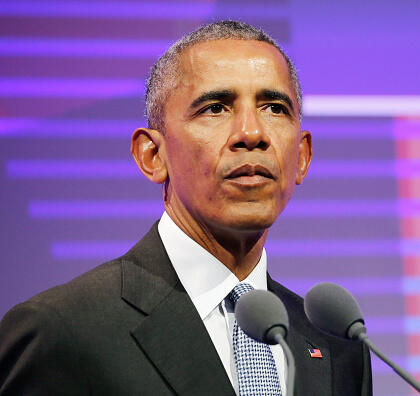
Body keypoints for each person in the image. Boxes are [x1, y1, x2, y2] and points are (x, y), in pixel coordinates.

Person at [0, 20, 372, 395]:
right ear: (152, 155)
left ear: (302, 158)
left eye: (274, 108)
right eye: (215, 108)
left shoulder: (338, 346)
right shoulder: (62, 332)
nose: (252, 134)